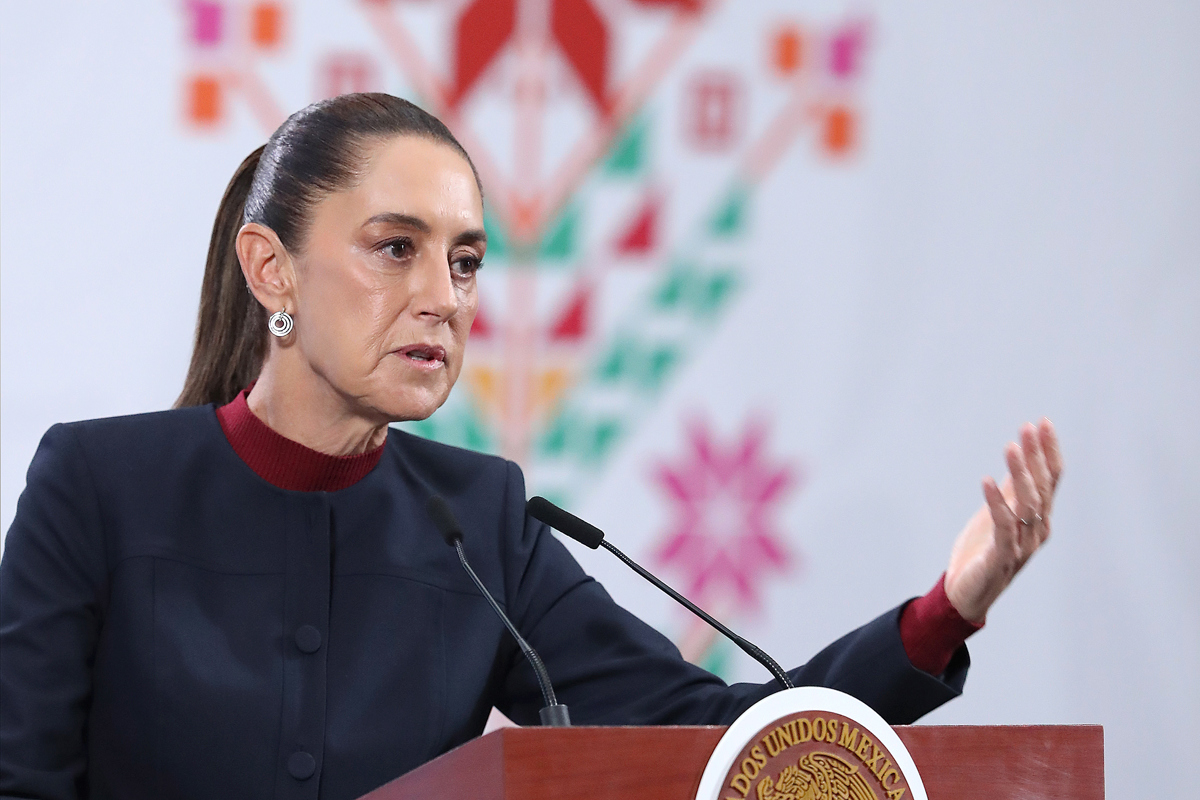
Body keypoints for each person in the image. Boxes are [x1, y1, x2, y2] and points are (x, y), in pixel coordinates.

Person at [0, 94, 1062, 800]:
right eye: (395, 248)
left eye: (464, 261)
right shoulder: (96, 487)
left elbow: (717, 741)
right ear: (272, 270)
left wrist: (943, 611)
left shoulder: (480, 523)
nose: (442, 299)